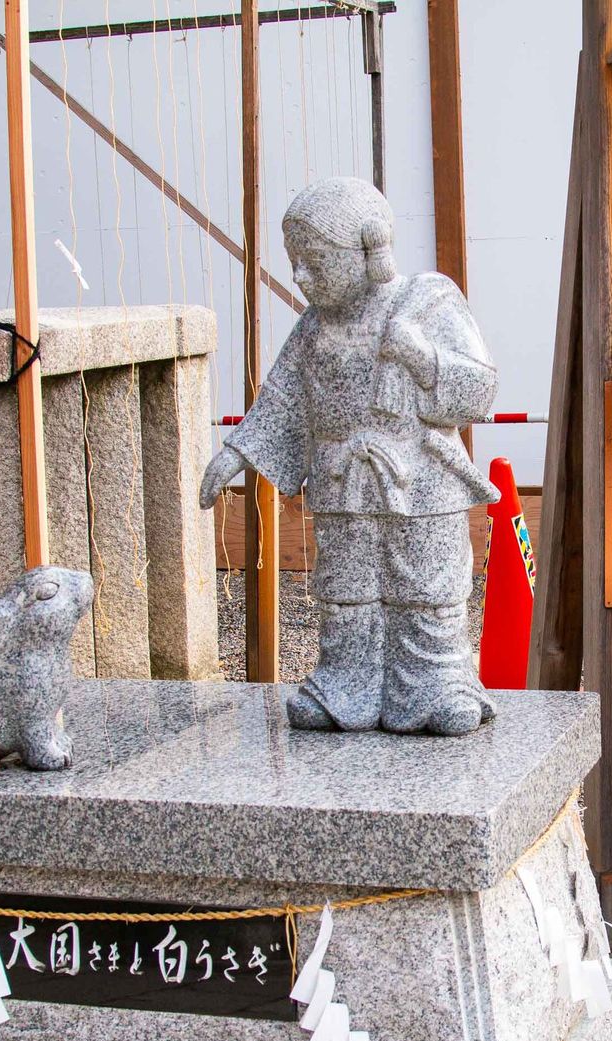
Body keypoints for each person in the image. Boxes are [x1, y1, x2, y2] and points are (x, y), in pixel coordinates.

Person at [199, 177, 498, 735]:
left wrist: (423, 356)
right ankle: (346, 683)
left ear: (368, 248)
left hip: (420, 481)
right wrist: (238, 451)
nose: (301, 277)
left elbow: (479, 389)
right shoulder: (313, 326)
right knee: (346, 589)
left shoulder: (427, 301)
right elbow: (284, 396)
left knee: (426, 585)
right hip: (342, 483)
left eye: (314, 261)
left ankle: (438, 684)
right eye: (296, 263)